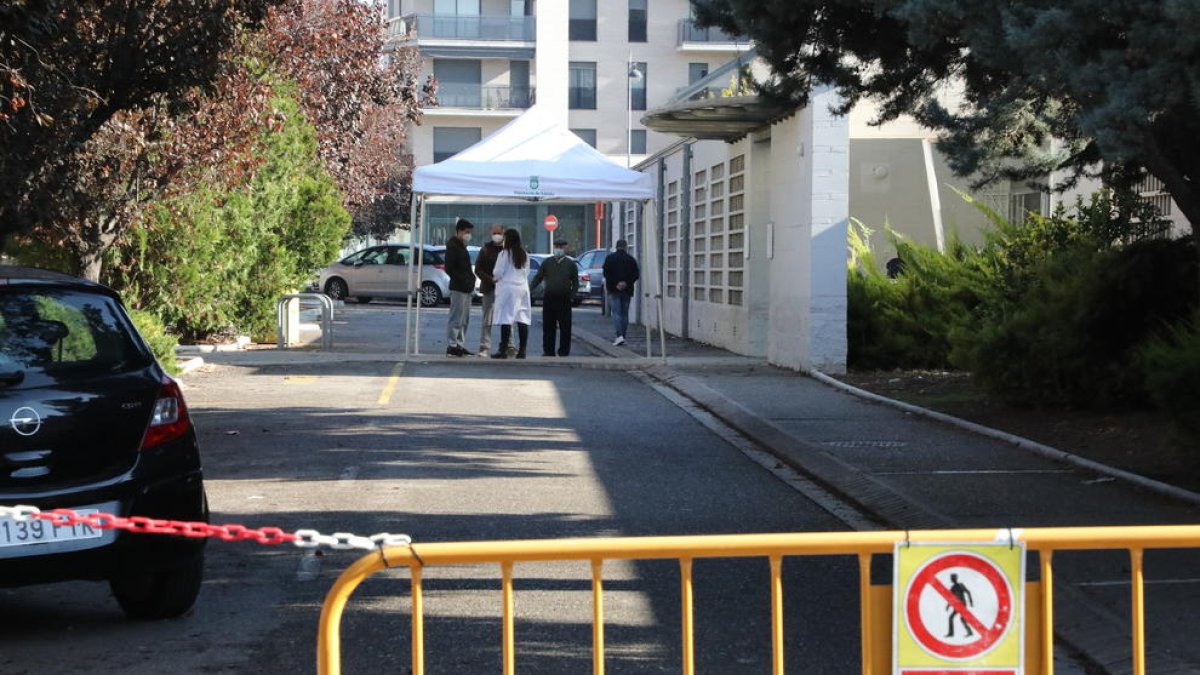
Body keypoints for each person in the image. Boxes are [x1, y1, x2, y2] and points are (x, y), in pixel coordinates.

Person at [529, 239, 580, 357]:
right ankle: (548, 351)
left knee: (565, 327)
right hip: (549, 298)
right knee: (548, 326)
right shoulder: (547, 263)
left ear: (566, 248)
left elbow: (575, 282)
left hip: (564, 299)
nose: (558, 249)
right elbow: (538, 277)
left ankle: (564, 351)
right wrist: (529, 289)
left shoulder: (570, 264)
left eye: (561, 247)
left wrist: (572, 296)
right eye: (557, 246)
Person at [490, 228, 532, 359]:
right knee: (522, 318)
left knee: (506, 319)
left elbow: (497, 272)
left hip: (508, 288)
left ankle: (503, 350)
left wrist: (495, 279)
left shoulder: (504, 254)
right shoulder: (524, 254)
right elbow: (527, 272)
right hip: (523, 288)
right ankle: (522, 351)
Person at [443, 217, 476, 357]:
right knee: (456, 317)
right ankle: (452, 345)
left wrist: (471, 280)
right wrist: (464, 280)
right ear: (460, 231)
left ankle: (460, 344)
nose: (469, 234)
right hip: (458, 287)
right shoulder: (453, 247)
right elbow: (449, 268)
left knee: (465, 318)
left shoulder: (462, 246)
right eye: (467, 231)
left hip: (466, 287)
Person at [474, 224, 505, 357]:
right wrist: (490, 279)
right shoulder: (485, 249)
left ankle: (508, 346)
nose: (496, 235)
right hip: (489, 288)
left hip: (505, 289)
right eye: (494, 232)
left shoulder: (508, 250)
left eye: (499, 232)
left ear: (503, 233)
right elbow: (478, 269)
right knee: (487, 319)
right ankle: (484, 347)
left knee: (507, 319)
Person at [601, 239, 639, 346]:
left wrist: (616, 284)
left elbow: (606, 273)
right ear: (625, 247)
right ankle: (623, 336)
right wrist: (626, 283)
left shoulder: (610, 259)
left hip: (614, 290)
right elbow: (636, 274)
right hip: (627, 290)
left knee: (616, 313)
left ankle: (619, 336)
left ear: (616, 247)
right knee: (624, 314)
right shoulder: (631, 259)